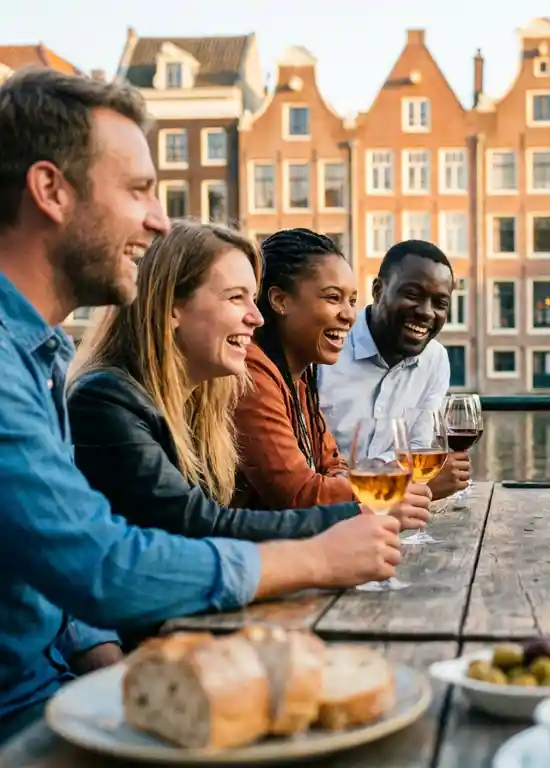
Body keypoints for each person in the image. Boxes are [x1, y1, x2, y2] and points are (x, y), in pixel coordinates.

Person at [0, 67, 398, 744]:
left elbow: (53, 575)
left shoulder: (38, 360)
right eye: (138, 191)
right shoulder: (54, 379)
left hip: (58, 690)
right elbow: (103, 564)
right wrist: (319, 558)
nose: (158, 220)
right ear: (50, 190)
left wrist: (108, 674)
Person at [67, 221, 430, 538]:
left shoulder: (206, 397)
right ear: (172, 307)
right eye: (236, 298)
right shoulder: (106, 400)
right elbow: (197, 524)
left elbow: (328, 463)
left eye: (252, 299)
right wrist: (359, 513)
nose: (256, 318)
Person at [231, 227, 431, 520]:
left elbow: (332, 463)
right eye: (333, 298)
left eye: (352, 301)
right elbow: (298, 493)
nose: (349, 315)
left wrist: (342, 484)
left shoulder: (300, 377)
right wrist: (387, 496)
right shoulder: (251, 371)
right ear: (280, 301)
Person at [318, 239, 469, 498]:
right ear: (378, 290)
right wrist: (410, 483)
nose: (426, 313)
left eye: (440, 303)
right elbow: (308, 468)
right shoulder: (326, 347)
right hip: (327, 516)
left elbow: (420, 447)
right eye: (412, 295)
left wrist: (383, 478)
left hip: (389, 514)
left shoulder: (436, 360)